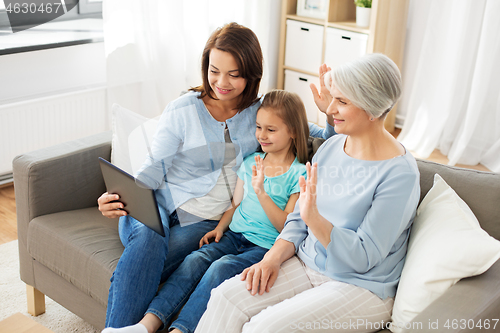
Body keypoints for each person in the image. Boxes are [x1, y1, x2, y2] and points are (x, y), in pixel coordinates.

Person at [97, 22, 336, 330]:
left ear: (251, 73)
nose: (221, 82)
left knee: (166, 261)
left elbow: (316, 139)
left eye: (234, 74)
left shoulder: (262, 115)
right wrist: (117, 197)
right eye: (214, 71)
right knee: (148, 236)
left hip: (203, 221)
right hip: (154, 202)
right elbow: (152, 169)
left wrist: (330, 112)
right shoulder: (183, 108)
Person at [195, 53, 421, 333]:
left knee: (264, 329)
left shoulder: (400, 174)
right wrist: (272, 258)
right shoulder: (332, 148)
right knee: (225, 297)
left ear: (372, 108)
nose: (331, 109)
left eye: (342, 101)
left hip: (361, 285)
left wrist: (313, 217)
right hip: (307, 263)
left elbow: (363, 257)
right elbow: (296, 221)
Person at [103, 89, 310, 333]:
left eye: (271, 130)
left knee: (218, 268)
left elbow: (287, 227)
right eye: (258, 128)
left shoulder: (299, 173)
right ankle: (145, 325)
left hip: (263, 245)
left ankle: (179, 329)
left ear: (293, 131)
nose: (261, 135)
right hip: (231, 233)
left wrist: (262, 192)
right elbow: (236, 205)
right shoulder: (251, 162)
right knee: (193, 260)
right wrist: (220, 228)